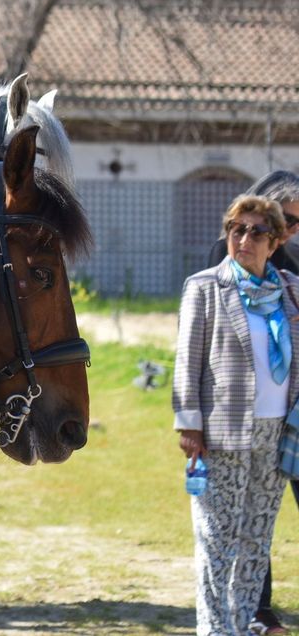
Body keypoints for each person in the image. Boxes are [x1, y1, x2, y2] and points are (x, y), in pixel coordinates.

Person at [175, 193, 299, 636]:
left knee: (255, 540)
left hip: (278, 434)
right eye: (237, 230)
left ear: (275, 241)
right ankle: (214, 629)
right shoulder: (206, 287)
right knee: (216, 540)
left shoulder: (289, 289)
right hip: (221, 434)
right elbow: (187, 362)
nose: (244, 238)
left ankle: (243, 621)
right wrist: (189, 425)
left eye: (256, 231)